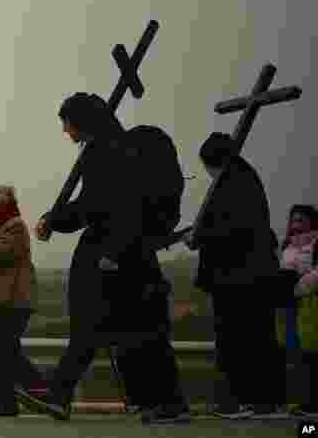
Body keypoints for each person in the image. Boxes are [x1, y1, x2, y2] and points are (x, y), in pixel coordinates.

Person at [19, 93, 189, 423]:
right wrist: (54, 218)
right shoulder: (104, 150)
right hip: (111, 250)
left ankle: (165, 402)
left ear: (80, 121)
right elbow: (89, 205)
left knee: (137, 329)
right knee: (97, 328)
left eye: (67, 124)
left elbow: (110, 206)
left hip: (116, 253)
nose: (66, 132)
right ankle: (62, 396)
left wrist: (114, 250)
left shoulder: (111, 152)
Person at [182, 131, 287, 419]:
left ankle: (251, 400)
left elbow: (234, 230)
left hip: (239, 277)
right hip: (244, 276)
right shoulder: (241, 179)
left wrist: (199, 237)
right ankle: (259, 401)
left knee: (243, 340)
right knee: (250, 338)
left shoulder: (234, 183)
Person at [0, 184, 44, 416]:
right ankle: (7, 400)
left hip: (13, 301)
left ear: (5, 198)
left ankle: (41, 391)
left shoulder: (15, 226)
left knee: (5, 351)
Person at [277, 204, 318, 419]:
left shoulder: (316, 242)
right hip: (290, 305)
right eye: (293, 220)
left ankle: (312, 404)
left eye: (301, 220)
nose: (296, 225)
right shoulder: (287, 245)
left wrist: (299, 287)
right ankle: (304, 401)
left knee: (312, 353)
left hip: (311, 302)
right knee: (297, 353)